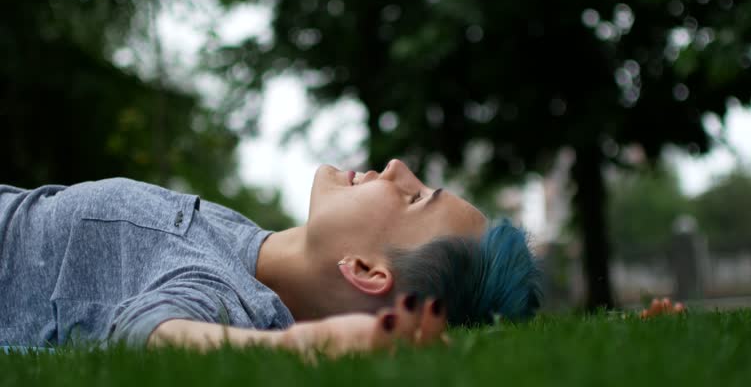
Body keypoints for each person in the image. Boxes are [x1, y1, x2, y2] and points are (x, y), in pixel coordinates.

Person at [0, 159, 542, 357]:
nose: (399, 167)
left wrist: (300, 346)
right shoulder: (243, 244)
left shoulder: (225, 290)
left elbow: (145, 335)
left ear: (367, 270)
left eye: (416, 197)